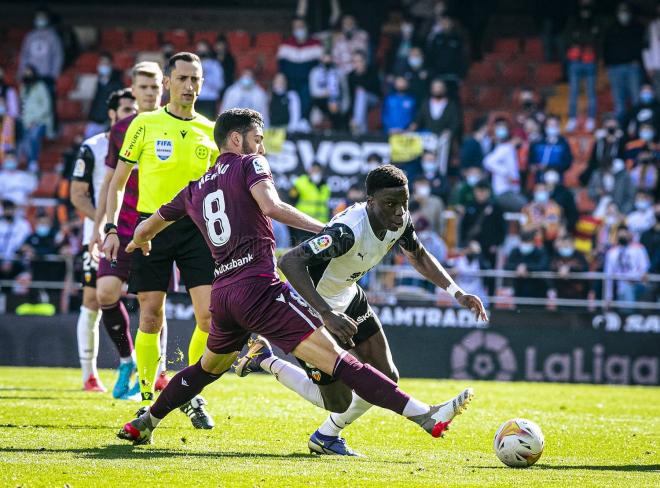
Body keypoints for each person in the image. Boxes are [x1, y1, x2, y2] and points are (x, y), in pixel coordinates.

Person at [117, 110, 480, 447]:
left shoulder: (195, 188)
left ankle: (145, 422)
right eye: (257, 138)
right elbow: (272, 207)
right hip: (259, 287)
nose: (261, 146)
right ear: (236, 140)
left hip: (223, 293)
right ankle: (425, 415)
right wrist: (326, 228)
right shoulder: (249, 164)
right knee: (341, 361)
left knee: (205, 370)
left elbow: (150, 223)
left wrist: (138, 241)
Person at [227, 164, 484, 455]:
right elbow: (290, 262)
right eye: (391, 204)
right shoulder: (346, 232)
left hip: (349, 297)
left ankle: (326, 437)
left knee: (386, 376)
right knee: (336, 401)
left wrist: (457, 292)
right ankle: (264, 358)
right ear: (371, 202)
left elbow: (419, 255)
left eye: (405, 203)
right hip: (311, 307)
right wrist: (325, 313)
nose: (400, 212)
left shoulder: (399, 219)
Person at [104, 53, 220, 429]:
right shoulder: (145, 123)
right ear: (168, 82)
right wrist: (110, 229)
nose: (190, 86)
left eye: (196, 79)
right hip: (150, 227)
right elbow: (118, 183)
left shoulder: (211, 130)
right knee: (151, 315)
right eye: (183, 78)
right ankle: (147, 399)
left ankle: (189, 390)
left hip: (196, 230)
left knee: (208, 316)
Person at [89, 62, 165, 400]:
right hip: (121, 223)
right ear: (132, 89)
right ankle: (126, 361)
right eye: (143, 87)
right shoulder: (121, 129)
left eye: (154, 87)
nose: (149, 92)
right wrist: (98, 228)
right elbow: (108, 181)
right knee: (105, 292)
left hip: (157, 224)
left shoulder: (169, 125)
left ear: (162, 88)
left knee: (153, 303)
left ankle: (157, 372)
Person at [70, 88, 137, 394]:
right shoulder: (93, 146)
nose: (130, 114)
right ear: (112, 114)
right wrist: (101, 221)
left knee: (152, 300)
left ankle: (151, 370)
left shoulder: (144, 139)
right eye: (125, 109)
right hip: (97, 236)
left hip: (136, 231)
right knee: (92, 300)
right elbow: (77, 194)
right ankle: (90, 375)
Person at [603, 3, 644, 122]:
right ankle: (622, 127)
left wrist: (638, 63)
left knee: (636, 98)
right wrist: (607, 64)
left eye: (625, 11)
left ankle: (638, 124)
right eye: (621, 11)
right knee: (618, 100)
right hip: (615, 68)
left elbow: (642, 47)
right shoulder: (611, 28)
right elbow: (606, 47)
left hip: (632, 67)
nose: (623, 14)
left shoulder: (637, 27)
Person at [277, 17, 323, 118]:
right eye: (296, 27)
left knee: (306, 97)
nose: (299, 29)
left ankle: (304, 122)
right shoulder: (286, 44)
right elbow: (281, 66)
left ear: (306, 27)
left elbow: (320, 66)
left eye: (301, 26)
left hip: (308, 81)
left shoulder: (316, 44)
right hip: (290, 81)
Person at [564, 3, 599, 132]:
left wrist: (580, 39)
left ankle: (591, 119)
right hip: (575, 61)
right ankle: (572, 119)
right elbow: (568, 37)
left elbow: (596, 39)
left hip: (590, 60)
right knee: (573, 92)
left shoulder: (595, 18)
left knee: (591, 92)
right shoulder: (573, 18)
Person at [459, 180, 505, 266]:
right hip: (471, 246)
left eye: (484, 191)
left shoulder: (496, 208)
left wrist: (497, 244)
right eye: (479, 191)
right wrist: (466, 244)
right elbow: (463, 227)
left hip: (490, 248)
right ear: (475, 191)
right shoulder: (469, 207)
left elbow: (502, 227)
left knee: (489, 273)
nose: (481, 193)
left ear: (489, 192)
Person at [482, 117, 525, 211]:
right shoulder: (505, 147)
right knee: (525, 207)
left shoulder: (511, 149)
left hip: (512, 190)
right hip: (503, 191)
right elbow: (487, 162)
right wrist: (505, 173)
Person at [604, 225, 650, 305]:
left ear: (630, 234)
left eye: (625, 233)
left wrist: (636, 278)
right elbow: (608, 275)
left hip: (638, 284)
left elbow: (644, 267)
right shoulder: (611, 253)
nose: (623, 235)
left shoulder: (639, 248)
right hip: (621, 287)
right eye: (620, 233)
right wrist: (608, 297)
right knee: (625, 291)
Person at [18, 7, 64, 85]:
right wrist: (22, 72)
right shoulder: (30, 36)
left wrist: (54, 75)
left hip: (46, 76)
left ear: (47, 19)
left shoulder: (53, 37)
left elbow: (58, 57)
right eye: (38, 17)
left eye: (42, 17)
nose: (40, 19)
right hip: (30, 75)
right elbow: (24, 55)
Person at [18, 65, 52, 172]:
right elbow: (22, 107)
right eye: (25, 73)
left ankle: (33, 162)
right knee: (23, 140)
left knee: (33, 135)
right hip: (25, 122)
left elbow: (46, 106)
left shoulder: (40, 87)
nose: (27, 75)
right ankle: (27, 162)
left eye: (29, 73)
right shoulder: (23, 88)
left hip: (41, 121)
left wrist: (33, 121)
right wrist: (26, 122)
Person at [289, 162, 330, 244]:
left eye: (317, 171)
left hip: (320, 223)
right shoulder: (301, 182)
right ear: (309, 170)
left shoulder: (325, 185)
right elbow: (292, 198)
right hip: (303, 221)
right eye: (313, 170)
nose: (315, 173)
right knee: (302, 245)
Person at [85, 52, 124, 138]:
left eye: (105, 63)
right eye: (101, 63)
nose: (103, 66)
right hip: (94, 122)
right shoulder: (96, 82)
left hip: (107, 124)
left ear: (111, 65)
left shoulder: (118, 84)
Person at [579, 115, 624, 186]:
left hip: (613, 167)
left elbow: (621, 158)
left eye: (613, 127)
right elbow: (593, 159)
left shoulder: (620, 141)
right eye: (609, 127)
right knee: (586, 176)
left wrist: (615, 141)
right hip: (599, 166)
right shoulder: (600, 141)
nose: (611, 129)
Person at [504, 231, 550, 300]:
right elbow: (507, 266)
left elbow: (542, 266)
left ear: (533, 242)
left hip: (539, 290)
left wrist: (526, 267)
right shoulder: (515, 251)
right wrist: (518, 267)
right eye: (524, 242)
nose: (525, 245)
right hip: (520, 290)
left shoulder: (540, 252)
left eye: (528, 242)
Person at [528, 115, 573, 181]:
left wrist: (549, 167)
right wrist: (533, 165)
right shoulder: (537, 142)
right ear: (546, 126)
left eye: (554, 125)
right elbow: (531, 158)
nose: (552, 127)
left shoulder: (563, 144)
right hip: (538, 178)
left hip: (556, 178)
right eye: (549, 125)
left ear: (558, 127)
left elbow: (567, 162)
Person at [347, 50, 381, 134]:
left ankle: (357, 124)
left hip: (373, 98)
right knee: (360, 97)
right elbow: (351, 97)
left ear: (364, 61)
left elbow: (377, 90)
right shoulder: (351, 76)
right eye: (355, 62)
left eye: (359, 61)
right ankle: (362, 130)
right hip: (358, 103)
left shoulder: (372, 71)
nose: (357, 64)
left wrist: (362, 88)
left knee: (361, 93)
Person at [308, 52, 344, 130]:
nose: (327, 60)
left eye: (329, 58)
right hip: (319, 101)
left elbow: (342, 90)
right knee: (316, 115)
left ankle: (336, 133)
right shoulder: (315, 72)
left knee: (334, 106)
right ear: (321, 58)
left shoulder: (338, 72)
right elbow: (314, 92)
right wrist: (326, 92)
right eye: (325, 58)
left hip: (335, 101)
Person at [549, 235, 589, 301]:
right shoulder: (556, 255)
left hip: (578, 294)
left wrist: (569, 269)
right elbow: (550, 267)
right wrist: (559, 269)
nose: (565, 247)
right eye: (563, 245)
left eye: (567, 245)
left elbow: (585, 268)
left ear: (573, 245)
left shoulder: (579, 255)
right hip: (560, 293)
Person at [195, 41, 224, 120]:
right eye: (199, 50)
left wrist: (205, 76)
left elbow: (219, 85)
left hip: (210, 99)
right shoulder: (193, 64)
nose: (201, 53)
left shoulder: (215, 65)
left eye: (203, 50)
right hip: (195, 99)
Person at [643, 2, 660, 97]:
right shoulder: (652, 26)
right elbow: (645, 48)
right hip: (656, 68)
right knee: (658, 93)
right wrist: (648, 66)